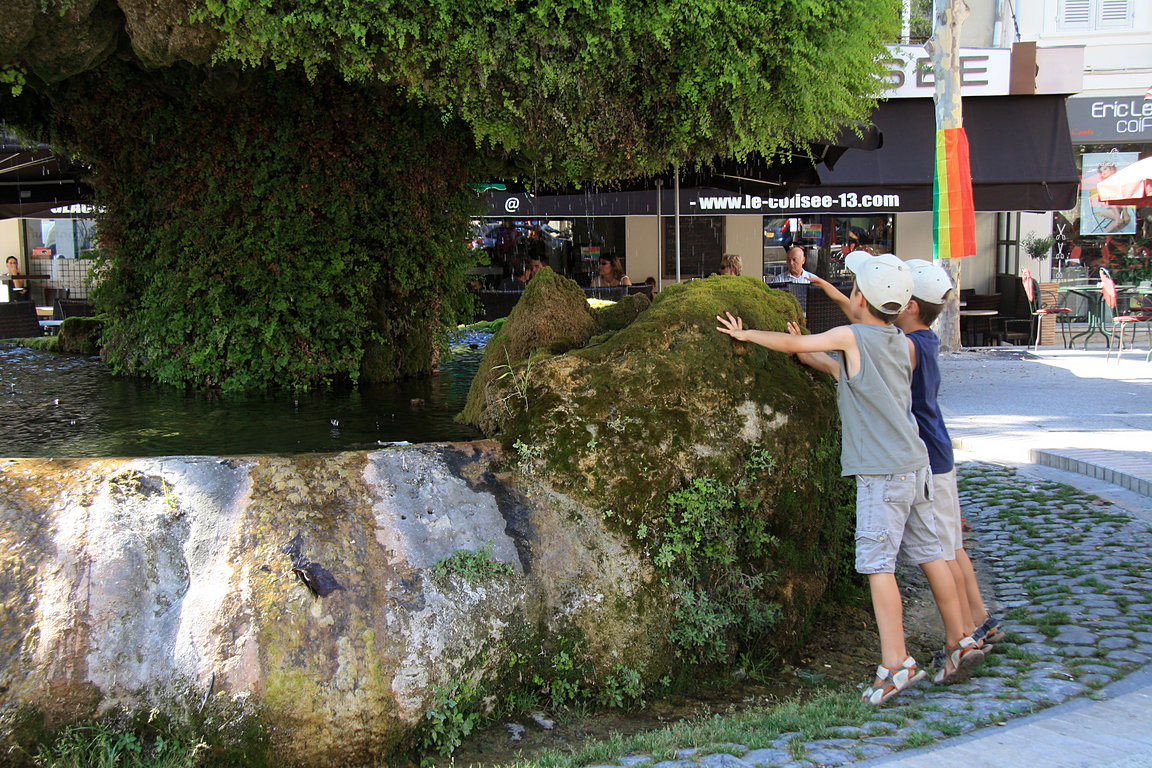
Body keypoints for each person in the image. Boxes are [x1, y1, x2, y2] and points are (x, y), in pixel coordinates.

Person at [715, 251, 982, 704]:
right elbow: (853, 377)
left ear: (858, 297)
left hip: (882, 473)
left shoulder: (850, 334)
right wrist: (816, 358)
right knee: (932, 554)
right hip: (916, 466)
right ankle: (962, 640)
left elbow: (793, 346)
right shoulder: (904, 342)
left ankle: (896, 664)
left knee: (879, 567)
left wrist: (747, 334)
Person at [896, 260, 1004, 664]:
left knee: (943, 549)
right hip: (941, 451)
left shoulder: (911, 345)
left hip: (932, 457)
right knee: (953, 547)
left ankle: (962, 634)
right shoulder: (925, 339)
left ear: (909, 305)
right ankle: (979, 618)